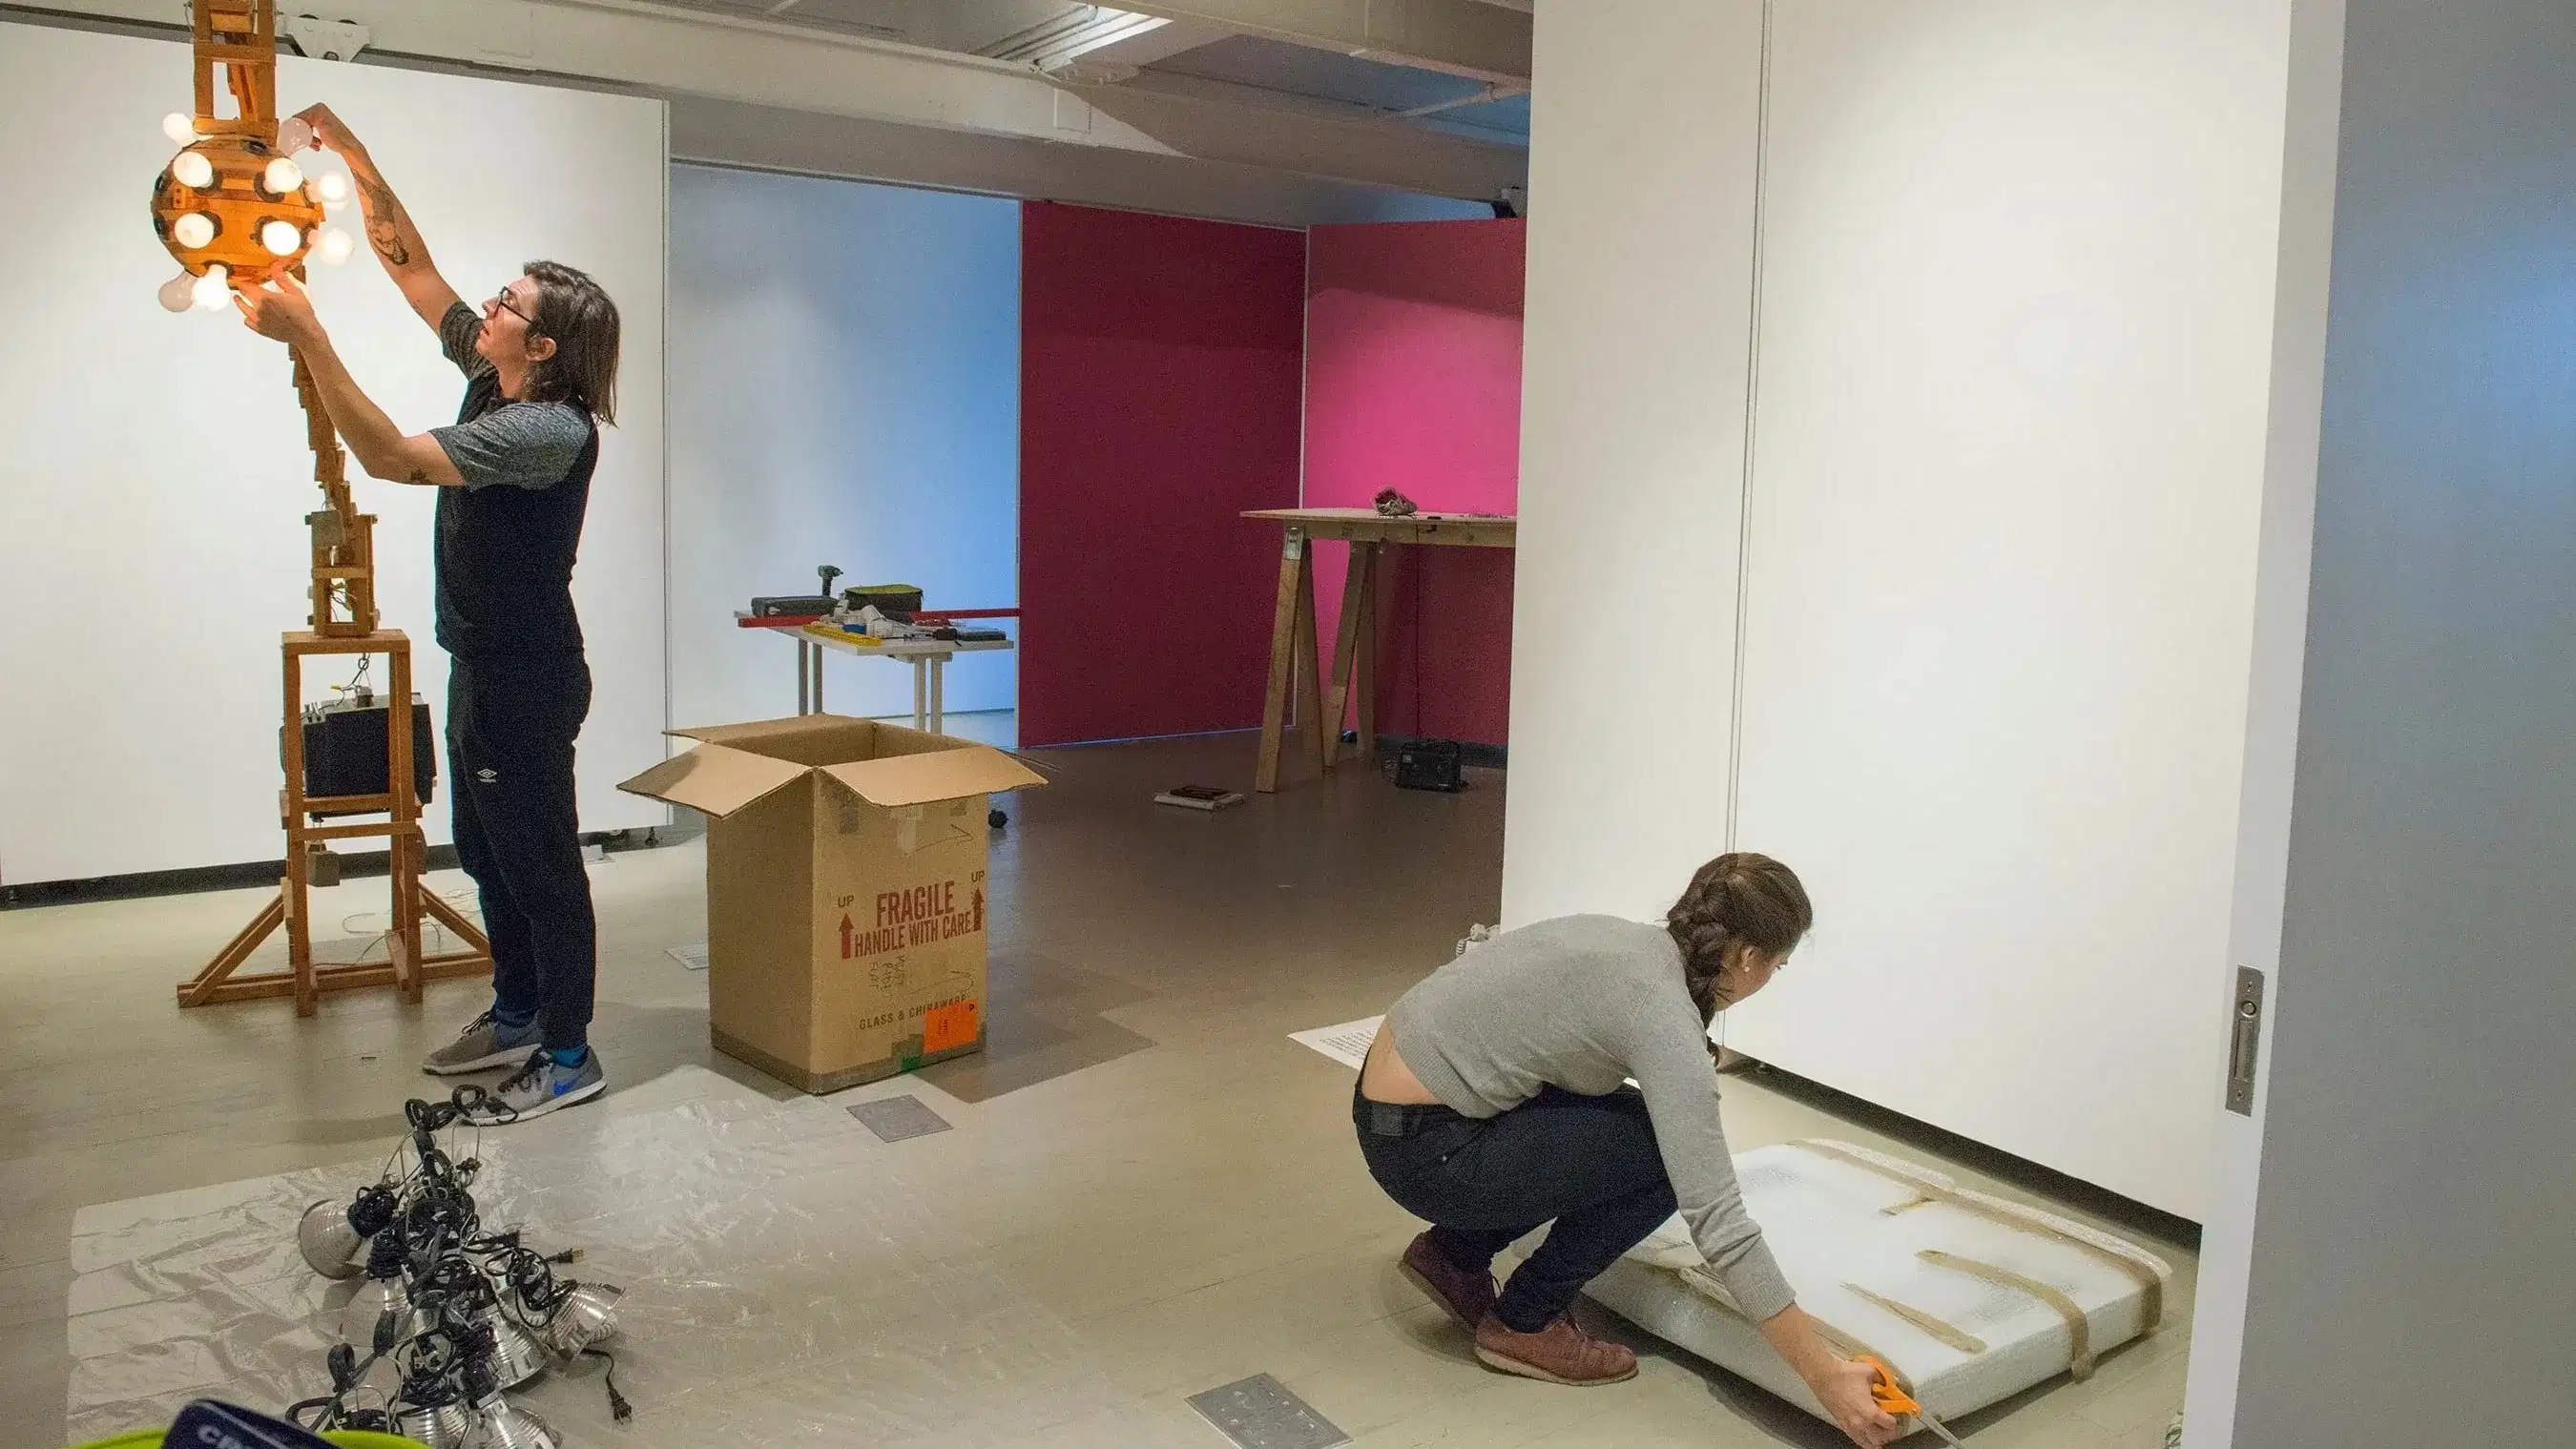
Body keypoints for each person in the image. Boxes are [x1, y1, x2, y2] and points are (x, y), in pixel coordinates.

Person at [232, 104, 621, 1127]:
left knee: (538, 860)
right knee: (486, 850)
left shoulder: (546, 428)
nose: (481, 304)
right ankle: (519, 1010)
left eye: (504, 301)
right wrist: (354, 153)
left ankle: (571, 1053)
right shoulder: (495, 380)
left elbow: (392, 459)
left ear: (539, 343)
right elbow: (413, 270)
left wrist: (309, 334)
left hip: (529, 673)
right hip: (482, 662)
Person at [1355, 853, 1901, 1449]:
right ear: (1748, 957)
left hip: (1388, 1110)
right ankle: (1524, 1322)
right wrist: (1826, 1377)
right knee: (1658, 1155)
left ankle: (1453, 1258)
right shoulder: (1660, 1015)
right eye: (1778, 962)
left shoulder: (1620, 941)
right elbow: (1719, 1221)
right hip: (1430, 1155)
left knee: (1621, 1122)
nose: (1771, 975)